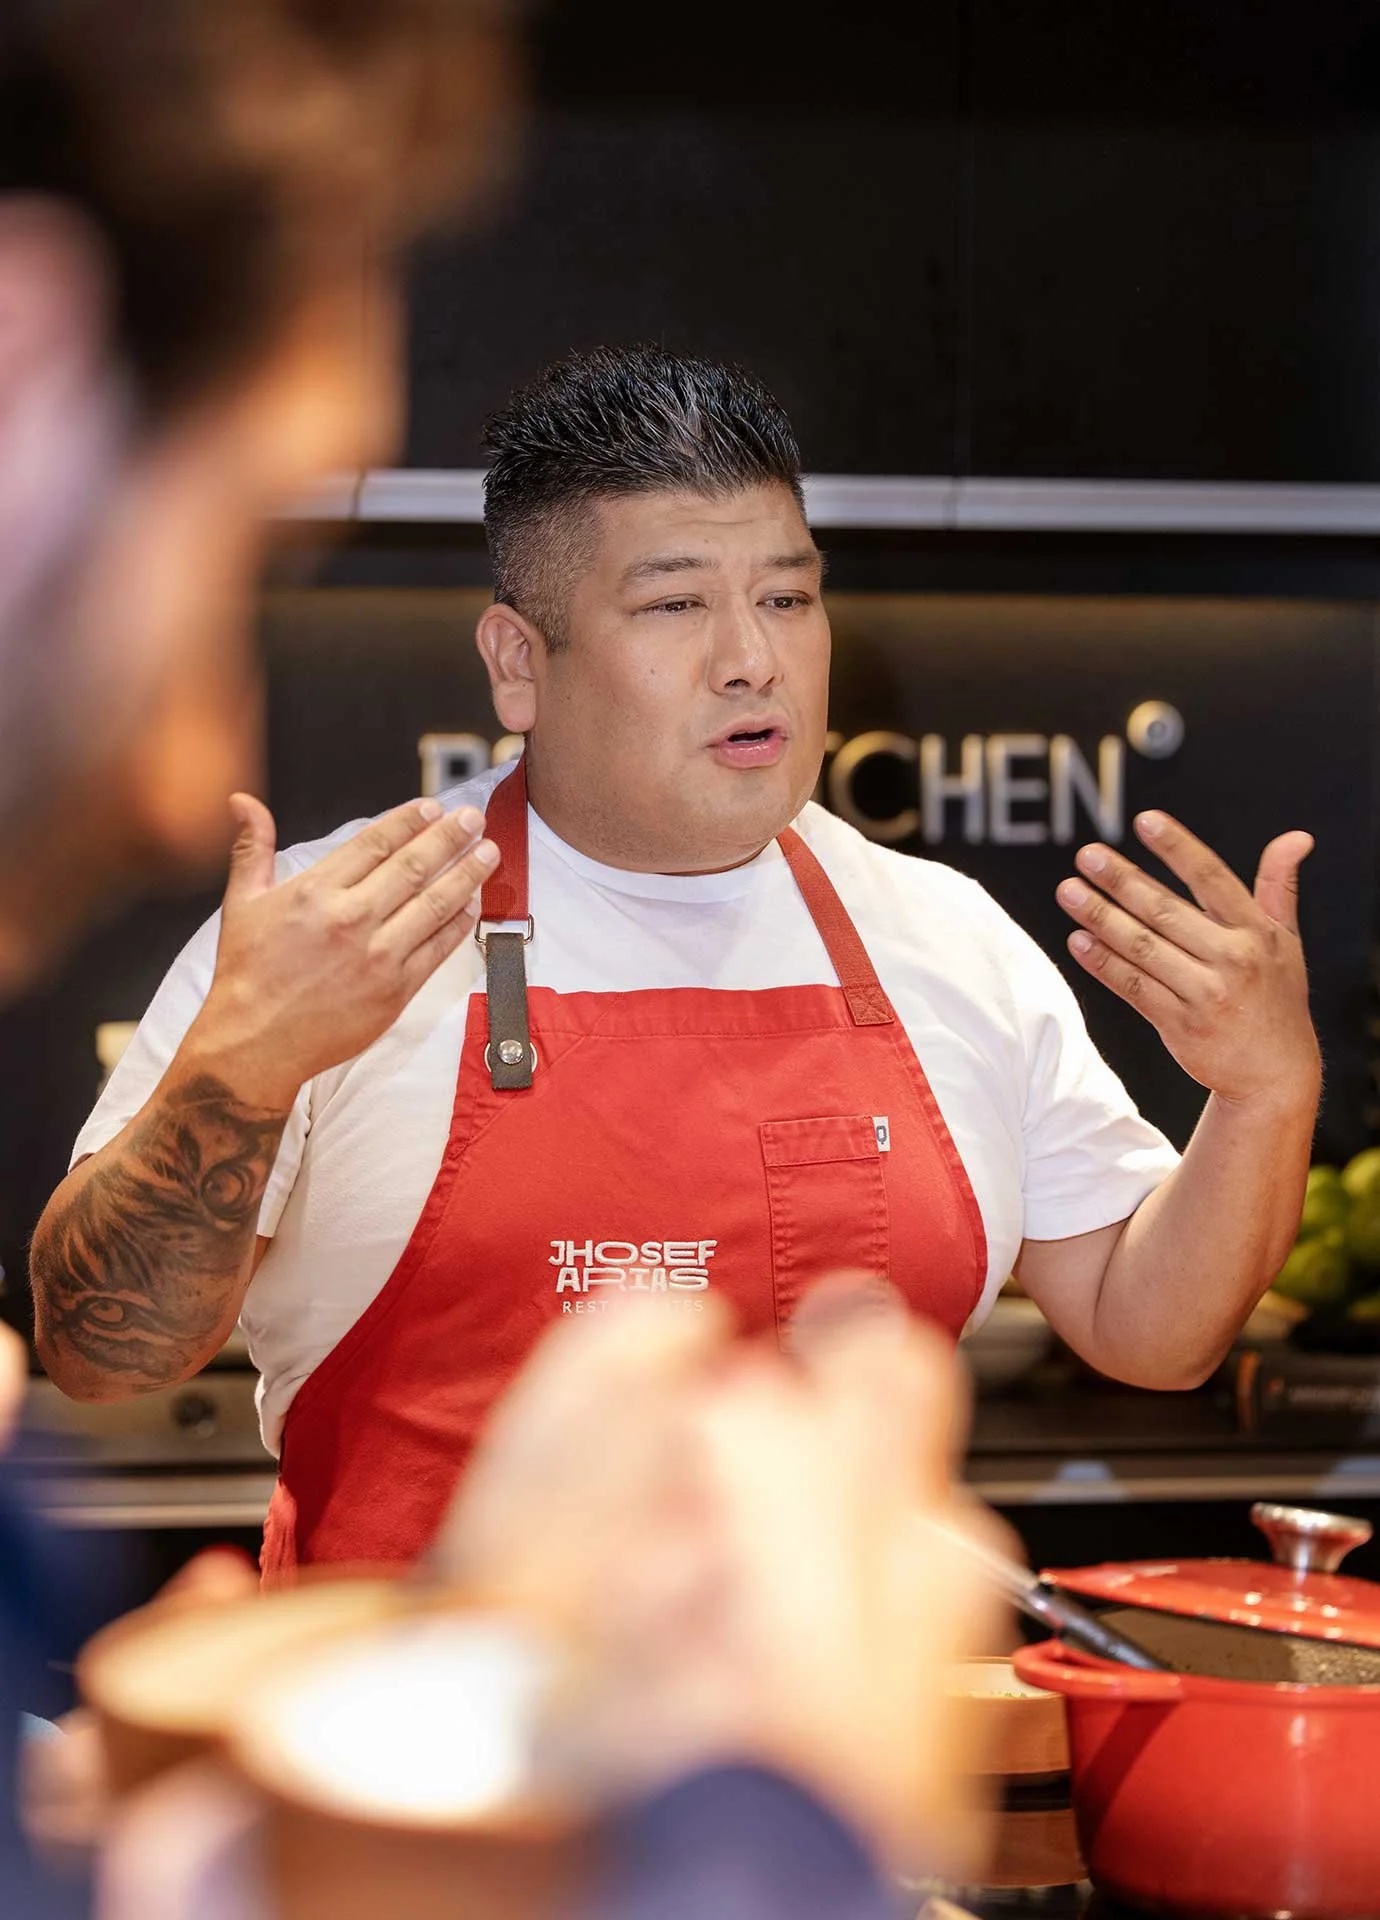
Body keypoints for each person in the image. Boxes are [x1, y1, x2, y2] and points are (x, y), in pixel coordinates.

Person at [32, 345, 1321, 1579]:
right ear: (519, 664)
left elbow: (1149, 1326)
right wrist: (244, 1075)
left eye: (787, 596)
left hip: (835, 1757)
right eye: (674, 604)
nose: (751, 656)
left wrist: (1264, 1095)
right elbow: (101, 1354)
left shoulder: (944, 937)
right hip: (417, 1757)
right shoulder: (340, 927)